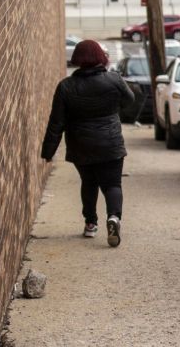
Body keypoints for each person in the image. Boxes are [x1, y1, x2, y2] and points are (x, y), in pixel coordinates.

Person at [41, 40, 135, 247]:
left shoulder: (66, 86)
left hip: (80, 144)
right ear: (101, 57)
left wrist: (48, 151)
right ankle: (114, 218)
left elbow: (56, 122)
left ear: (77, 60)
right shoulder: (114, 80)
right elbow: (130, 100)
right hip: (110, 142)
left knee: (89, 183)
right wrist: (114, 110)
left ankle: (91, 223)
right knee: (112, 184)